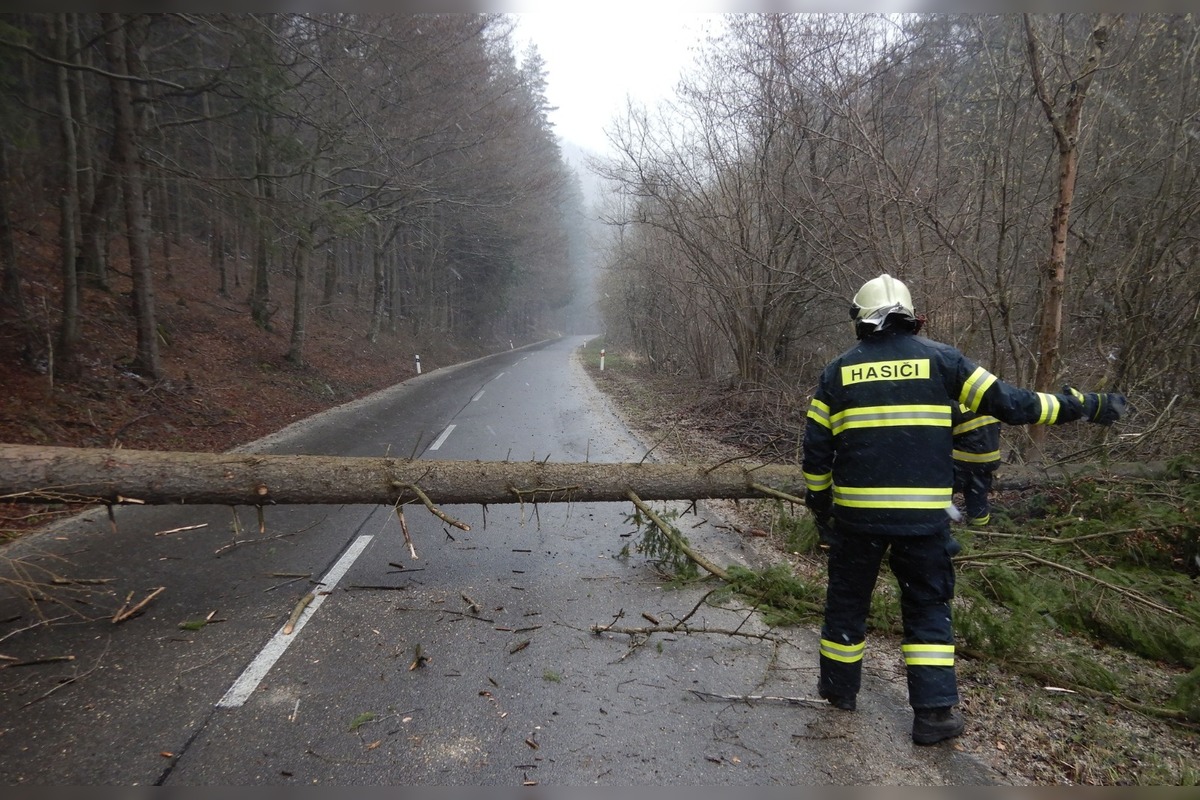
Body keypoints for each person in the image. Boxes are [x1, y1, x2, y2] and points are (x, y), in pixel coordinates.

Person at [801, 274, 1125, 746]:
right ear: (910, 316)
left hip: (856, 520)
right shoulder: (943, 360)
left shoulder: (838, 372)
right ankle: (933, 717)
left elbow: (816, 452)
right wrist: (1086, 406)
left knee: (847, 607)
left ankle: (838, 695)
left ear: (861, 320)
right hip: (926, 524)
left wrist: (820, 506)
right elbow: (1013, 405)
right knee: (928, 610)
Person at [951, 403, 1001, 526]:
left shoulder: (954, 405)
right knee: (978, 495)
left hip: (961, 461)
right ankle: (979, 527)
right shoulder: (988, 401)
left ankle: (940, 524)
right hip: (988, 460)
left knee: (943, 492)